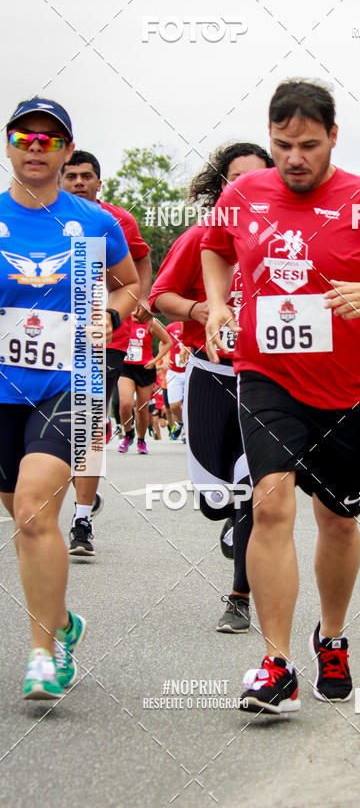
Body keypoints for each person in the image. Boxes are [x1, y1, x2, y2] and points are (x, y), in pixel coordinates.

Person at [202, 79, 360, 714]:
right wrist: (219, 303)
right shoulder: (244, 193)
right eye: (282, 146)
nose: (294, 158)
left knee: (337, 518)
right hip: (266, 373)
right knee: (271, 505)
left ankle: (331, 635)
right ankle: (275, 663)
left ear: (333, 136)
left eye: (307, 144)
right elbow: (215, 250)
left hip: (352, 385)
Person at [0, 97, 139, 698]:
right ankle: (61, 617)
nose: (36, 147)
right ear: (9, 144)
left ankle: (44, 652)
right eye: (24, 137)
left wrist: (110, 311)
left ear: (65, 149)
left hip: (70, 384)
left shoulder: (94, 222)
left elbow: (132, 284)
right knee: (22, 515)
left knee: (34, 509)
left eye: (48, 140)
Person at [150, 142, 274, 634]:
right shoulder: (202, 236)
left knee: (253, 493)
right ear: (222, 186)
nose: (245, 188)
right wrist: (197, 310)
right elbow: (161, 296)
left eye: (256, 178)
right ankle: (227, 516)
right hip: (210, 375)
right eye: (235, 179)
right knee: (214, 499)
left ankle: (239, 596)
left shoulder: (289, 239)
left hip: (266, 383)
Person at [60, 150, 152, 555]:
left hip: (105, 337)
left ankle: (81, 520)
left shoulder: (115, 221)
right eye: (72, 176)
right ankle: (71, 487)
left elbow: (140, 260)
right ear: (60, 179)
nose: (79, 182)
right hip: (45, 341)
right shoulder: (37, 217)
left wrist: (139, 300)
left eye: (86, 176)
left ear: (100, 182)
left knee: (88, 423)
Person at [117, 318, 173, 454]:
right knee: (125, 404)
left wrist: (155, 360)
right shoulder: (123, 317)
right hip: (126, 368)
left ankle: (141, 440)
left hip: (145, 369)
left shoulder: (151, 322)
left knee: (142, 409)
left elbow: (168, 342)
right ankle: (128, 434)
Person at [164, 321, 187, 439]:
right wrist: (164, 357)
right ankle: (180, 422)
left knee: (190, 405)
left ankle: (186, 431)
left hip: (190, 371)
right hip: (174, 372)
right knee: (174, 406)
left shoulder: (196, 323)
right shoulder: (171, 327)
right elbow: (162, 342)